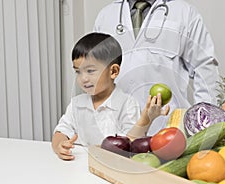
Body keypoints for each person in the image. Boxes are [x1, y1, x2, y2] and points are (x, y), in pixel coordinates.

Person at [93, 0, 220, 135]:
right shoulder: (106, 15)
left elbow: (205, 67)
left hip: (168, 129)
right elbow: (94, 71)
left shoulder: (184, 13)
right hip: (117, 130)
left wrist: (204, 124)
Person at [51, 32, 169, 160]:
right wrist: (59, 146)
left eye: (90, 71)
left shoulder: (126, 103)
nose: (83, 78)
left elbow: (131, 143)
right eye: (78, 72)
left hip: (113, 167)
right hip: (80, 166)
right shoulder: (76, 104)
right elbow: (61, 131)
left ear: (113, 71)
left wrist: (146, 118)